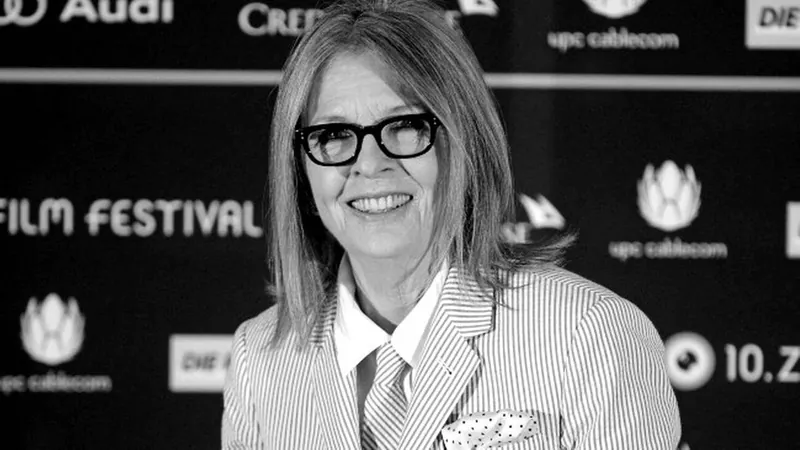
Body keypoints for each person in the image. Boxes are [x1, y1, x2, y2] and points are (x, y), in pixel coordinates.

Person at [222, 0, 681, 448]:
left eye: (405, 126)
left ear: (465, 142)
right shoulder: (258, 359)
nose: (369, 164)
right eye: (334, 135)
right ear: (300, 167)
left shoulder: (589, 333)